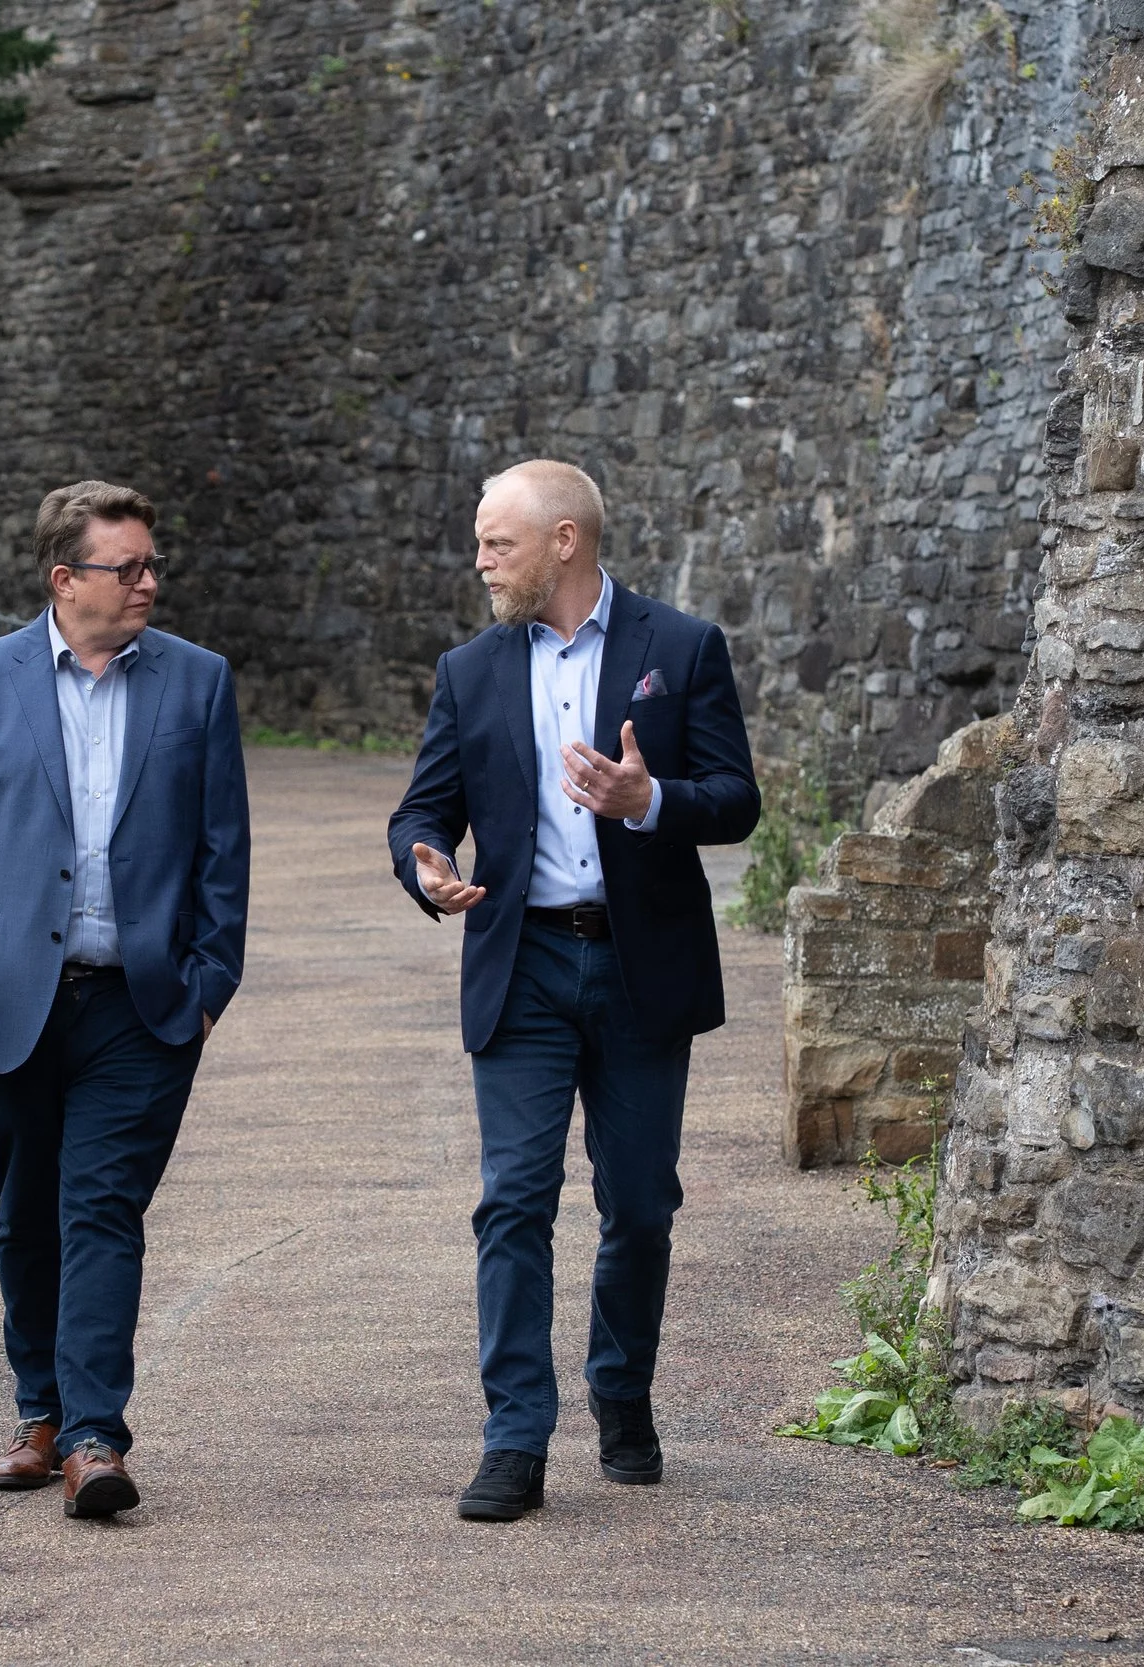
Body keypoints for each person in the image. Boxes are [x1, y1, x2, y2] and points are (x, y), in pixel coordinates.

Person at [387, 459, 761, 1522]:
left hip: (644, 963)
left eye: (495, 543)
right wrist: (421, 859)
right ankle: (513, 1439)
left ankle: (621, 1391)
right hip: (523, 962)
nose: (479, 561)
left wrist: (651, 799)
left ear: (563, 540)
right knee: (512, 1200)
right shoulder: (469, 669)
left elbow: (736, 799)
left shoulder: (679, 648)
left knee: (639, 1207)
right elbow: (422, 808)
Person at [0, 479, 249, 1519]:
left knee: (101, 1207)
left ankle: (95, 1435)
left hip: (142, 1005)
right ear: (63, 578)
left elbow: (225, 852)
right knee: (26, 1212)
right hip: (7, 998)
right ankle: (37, 1413)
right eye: (124, 567)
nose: (147, 583)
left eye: (150, 566)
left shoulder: (198, 681)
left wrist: (210, 984)